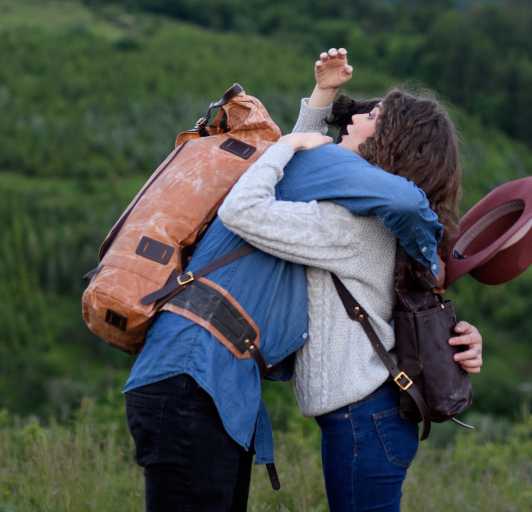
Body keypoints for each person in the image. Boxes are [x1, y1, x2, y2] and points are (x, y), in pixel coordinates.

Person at [124, 49, 482, 512]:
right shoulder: (371, 219)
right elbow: (302, 178)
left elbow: (263, 196)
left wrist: (285, 145)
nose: (364, 112)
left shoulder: (351, 226)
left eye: (379, 114)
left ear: (392, 139)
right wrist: (319, 99)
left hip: (365, 417)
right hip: (367, 416)